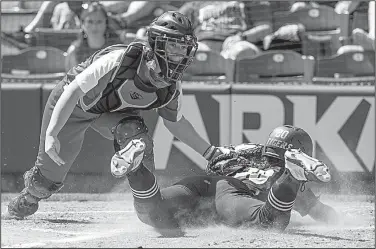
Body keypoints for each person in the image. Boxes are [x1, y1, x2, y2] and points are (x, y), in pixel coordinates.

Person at [6, 11, 225, 220]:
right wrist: (53, 133)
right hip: (73, 106)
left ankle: (149, 209)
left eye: (184, 49)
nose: (180, 56)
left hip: (113, 115)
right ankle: (29, 197)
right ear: (156, 45)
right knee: (45, 182)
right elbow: (72, 91)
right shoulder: (121, 59)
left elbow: (176, 123)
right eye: (174, 47)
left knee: (138, 139)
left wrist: (211, 153)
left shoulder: (171, 86)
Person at [118, 125, 337, 236]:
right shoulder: (279, 170)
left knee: (153, 212)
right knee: (270, 223)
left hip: (202, 183)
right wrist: (340, 218)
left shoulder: (246, 149)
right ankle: (292, 177)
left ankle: (136, 171)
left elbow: (213, 164)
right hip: (234, 194)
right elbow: (323, 214)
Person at [65, 2, 122, 71]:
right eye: (90, 21)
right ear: (82, 24)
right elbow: (71, 80)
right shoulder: (73, 51)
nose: (94, 26)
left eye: (99, 21)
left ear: (106, 23)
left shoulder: (116, 50)